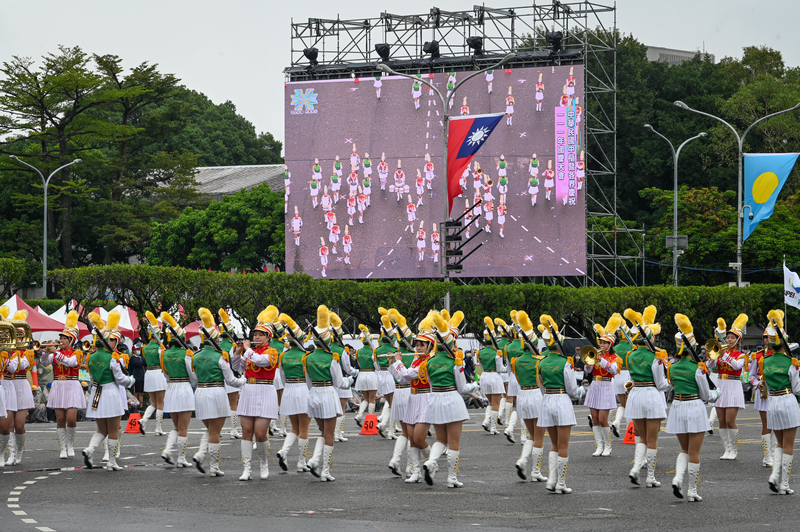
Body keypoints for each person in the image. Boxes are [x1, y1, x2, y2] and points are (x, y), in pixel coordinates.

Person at [422, 310, 479, 488]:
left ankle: (431, 461)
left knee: (440, 439)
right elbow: (463, 388)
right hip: (452, 400)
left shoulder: (429, 362)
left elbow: (431, 384)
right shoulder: (456, 362)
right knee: (453, 442)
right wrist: (476, 386)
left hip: (436, 399)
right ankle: (451, 478)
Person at [303, 305, 358, 481]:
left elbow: (308, 382)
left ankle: (313, 460)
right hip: (328, 394)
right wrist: (351, 380)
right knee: (329, 435)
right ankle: (325, 471)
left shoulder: (307, 357)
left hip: (314, 395)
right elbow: (340, 383)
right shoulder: (333, 357)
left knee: (322, 432)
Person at [188, 308, 245, 477]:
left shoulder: (195, 356)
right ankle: (213, 467)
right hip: (216, 393)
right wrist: (244, 381)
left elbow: (194, 378)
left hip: (200, 393)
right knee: (215, 432)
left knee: (211, 430)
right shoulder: (222, 355)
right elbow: (231, 380)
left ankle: (200, 454)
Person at [670, 314, 718, 501]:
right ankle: (691, 491)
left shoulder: (672, 368)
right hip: (694, 406)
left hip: (678, 406)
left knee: (684, 449)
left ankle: (677, 478)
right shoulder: (698, 368)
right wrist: (717, 394)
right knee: (694, 452)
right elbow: (706, 395)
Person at [82, 311, 136, 471]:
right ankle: (111, 461)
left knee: (101, 429)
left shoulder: (90, 358)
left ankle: (90, 449)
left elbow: (91, 378)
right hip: (111, 393)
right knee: (113, 430)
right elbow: (121, 379)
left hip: (97, 393)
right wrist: (131, 380)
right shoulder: (113, 357)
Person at [536, 315, 584, 494]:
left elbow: (541, 386)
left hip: (547, 400)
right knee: (563, 445)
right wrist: (581, 391)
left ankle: (551, 481)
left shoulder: (541, 363)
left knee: (554, 444)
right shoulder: (566, 363)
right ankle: (561, 484)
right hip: (562, 400)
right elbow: (572, 389)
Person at [623, 306, 670, 487]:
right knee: (652, 439)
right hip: (651, 395)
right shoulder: (655, 356)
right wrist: (671, 383)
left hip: (636, 395)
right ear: (649, 337)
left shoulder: (630, 354)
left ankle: (636, 469)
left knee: (642, 437)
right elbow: (660, 384)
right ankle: (649, 476)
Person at [233, 306, 280, 481]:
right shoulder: (249, 352)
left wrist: (247, 350)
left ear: (268, 337)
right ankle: (247, 468)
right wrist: (237, 354)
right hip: (249, 390)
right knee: (246, 431)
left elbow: (261, 361)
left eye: (261, 334)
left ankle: (263, 463)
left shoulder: (272, 352)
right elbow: (238, 368)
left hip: (265, 390)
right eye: (255, 334)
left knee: (260, 433)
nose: (256, 337)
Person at [39, 310, 86, 459]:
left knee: (71, 419)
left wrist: (55, 352)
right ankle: (63, 447)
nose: (62, 340)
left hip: (72, 385)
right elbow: (44, 362)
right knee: (60, 419)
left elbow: (70, 362)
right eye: (61, 338)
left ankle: (70, 445)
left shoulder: (77, 353)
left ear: (71, 340)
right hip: (59, 385)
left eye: (65, 338)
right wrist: (46, 352)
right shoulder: (55, 352)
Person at [763, 310, 800, 494]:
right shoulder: (791, 362)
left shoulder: (765, 361)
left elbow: (768, 385)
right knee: (788, 445)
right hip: (787, 400)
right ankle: (783, 483)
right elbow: (798, 388)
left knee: (779, 443)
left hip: (773, 401)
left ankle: (773, 477)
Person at [510, 311, 548, 482]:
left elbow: (516, 378)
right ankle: (535, 470)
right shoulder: (540, 359)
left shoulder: (516, 361)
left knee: (531, 435)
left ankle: (524, 460)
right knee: (539, 436)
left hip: (522, 396)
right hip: (536, 395)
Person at [156, 312, 194, 468]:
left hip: (171, 388)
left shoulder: (164, 354)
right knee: (183, 427)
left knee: (176, 426)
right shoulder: (187, 354)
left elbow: (165, 374)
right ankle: (181, 458)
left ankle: (167, 451)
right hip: (184, 388)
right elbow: (193, 376)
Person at [707, 314, 748, 460]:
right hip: (720, 385)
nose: (729, 339)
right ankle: (727, 449)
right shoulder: (721, 351)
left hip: (733, 385)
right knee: (721, 421)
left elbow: (737, 365)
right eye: (728, 337)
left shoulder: (741, 355)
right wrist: (713, 356)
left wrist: (724, 355)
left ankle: (734, 450)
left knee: (731, 421)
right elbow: (709, 367)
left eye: (732, 338)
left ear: (737, 340)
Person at [276, 313, 312, 473]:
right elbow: (309, 378)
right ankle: (301, 462)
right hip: (303, 389)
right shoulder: (306, 356)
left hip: (289, 390)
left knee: (294, 428)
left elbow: (282, 378)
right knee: (304, 429)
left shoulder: (283, 356)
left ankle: (284, 451)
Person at [584, 315, 623, 457]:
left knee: (602, 419)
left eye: (605, 343)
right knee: (594, 419)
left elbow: (613, 370)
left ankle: (608, 446)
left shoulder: (615, 358)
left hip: (606, 385)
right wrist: (588, 362)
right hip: (595, 384)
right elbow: (588, 371)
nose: (602, 345)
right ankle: (599, 446)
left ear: (610, 344)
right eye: (601, 342)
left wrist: (600, 360)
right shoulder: (596, 354)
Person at [3, 311, 35, 466]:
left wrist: (9, 354)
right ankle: (11, 454)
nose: (18, 339)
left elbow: (21, 366)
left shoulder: (27, 352)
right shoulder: (7, 351)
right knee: (8, 424)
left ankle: (19, 452)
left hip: (21, 386)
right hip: (8, 385)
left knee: (19, 425)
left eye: (21, 336)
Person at [750, 333, 776, 467]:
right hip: (764, 391)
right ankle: (767, 456)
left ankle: (775, 454)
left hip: (779, 390)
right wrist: (757, 384)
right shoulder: (758, 355)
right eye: (765, 337)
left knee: (778, 425)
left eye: (771, 337)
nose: (767, 340)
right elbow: (751, 376)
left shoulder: (783, 355)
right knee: (767, 424)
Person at [140, 313, 168, 436]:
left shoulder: (144, 347)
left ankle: (144, 419)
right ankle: (158, 428)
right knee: (160, 403)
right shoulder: (160, 348)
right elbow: (163, 363)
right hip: (158, 373)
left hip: (149, 373)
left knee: (154, 402)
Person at [478, 317, 507, 435]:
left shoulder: (480, 352)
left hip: (484, 376)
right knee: (496, 403)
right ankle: (493, 428)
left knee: (490, 402)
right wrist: (509, 369)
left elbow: (480, 365)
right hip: (494, 376)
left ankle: (486, 421)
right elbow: (500, 369)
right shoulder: (497, 352)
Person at [611, 314, 633, 437]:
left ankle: (617, 422)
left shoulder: (615, 348)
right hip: (628, 375)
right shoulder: (632, 346)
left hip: (617, 375)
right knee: (629, 404)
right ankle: (630, 431)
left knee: (622, 404)